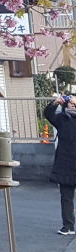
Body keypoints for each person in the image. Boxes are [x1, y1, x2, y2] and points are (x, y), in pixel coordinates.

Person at [44, 93, 76, 235]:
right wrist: (56, 101)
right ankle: (68, 226)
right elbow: (48, 114)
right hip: (66, 163)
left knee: (67, 196)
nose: (74, 105)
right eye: (72, 103)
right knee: (66, 197)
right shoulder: (62, 119)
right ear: (66, 104)